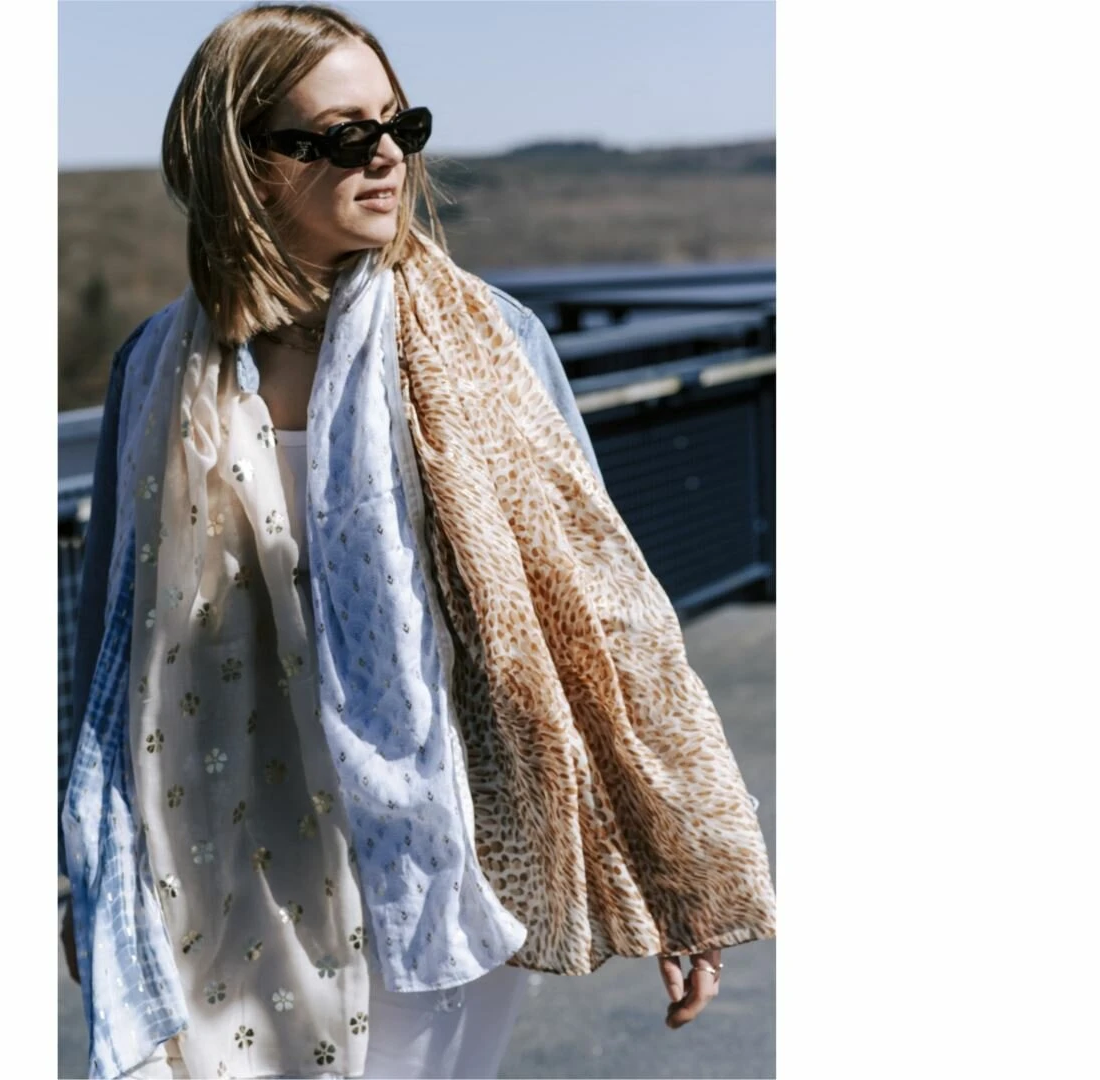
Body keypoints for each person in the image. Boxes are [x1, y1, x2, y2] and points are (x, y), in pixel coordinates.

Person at [60, 5, 776, 1079]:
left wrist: (677, 871)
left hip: (438, 841)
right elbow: (111, 649)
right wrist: (86, 871)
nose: (387, 154)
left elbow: (603, 619)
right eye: (344, 134)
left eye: (400, 124)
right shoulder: (156, 369)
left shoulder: (492, 344)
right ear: (246, 164)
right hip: (214, 840)